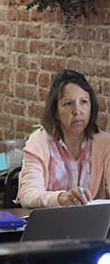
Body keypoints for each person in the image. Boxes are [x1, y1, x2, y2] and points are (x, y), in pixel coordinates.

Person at [17, 70, 110, 208]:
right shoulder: (39, 141)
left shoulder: (105, 143)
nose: (77, 111)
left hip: (95, 227)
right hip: (51, 225)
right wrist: (61, 198)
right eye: (68, 103)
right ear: (55, 111)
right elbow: (28, 194)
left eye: (84, 102)